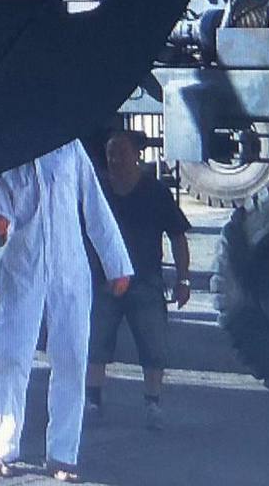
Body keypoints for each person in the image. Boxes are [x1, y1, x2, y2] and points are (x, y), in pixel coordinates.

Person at [0, 141, 133, 482]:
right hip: (24, 270)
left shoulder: (70, 149)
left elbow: (95, 207)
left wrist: (116, 264)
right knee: (11, 355)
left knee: (72, 359)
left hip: (70, 270)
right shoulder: (2, 154)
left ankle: (63, 454)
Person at [85, 128, 192, 431]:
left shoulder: (155, 191)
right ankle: (93, 401)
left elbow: (178, 237)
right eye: (110, 153)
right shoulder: (99, 190)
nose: (115, 159)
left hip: (146, 281)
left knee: (153, 346)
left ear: (137, 155)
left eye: (121, 152)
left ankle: (153, 404)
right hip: (104, 282)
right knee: (96, 343)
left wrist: (183, 280)